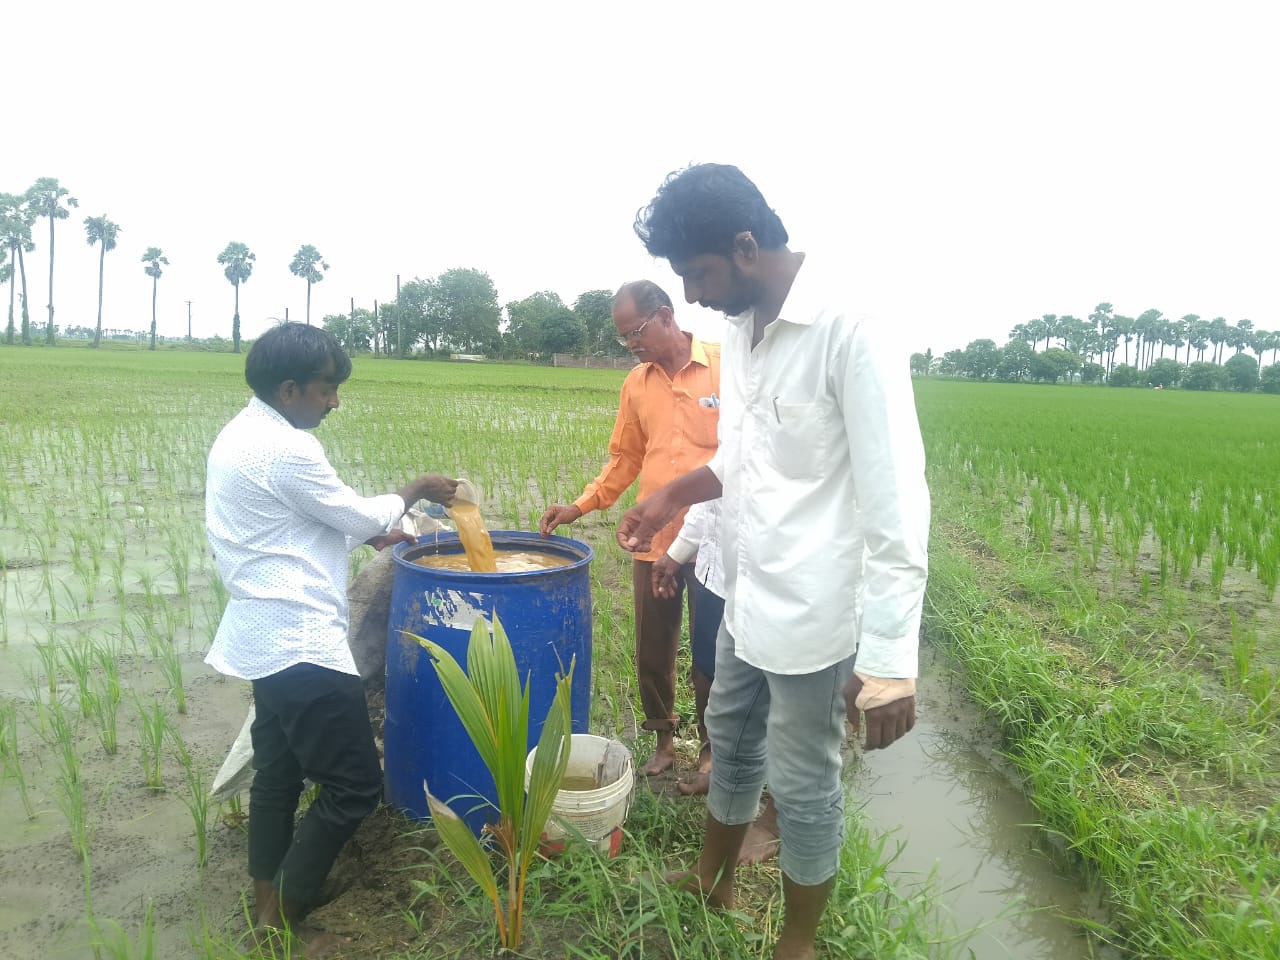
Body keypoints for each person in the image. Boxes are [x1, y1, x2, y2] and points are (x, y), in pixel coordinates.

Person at [618, 164, 930, 960]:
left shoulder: (850, 329)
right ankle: (712, 879)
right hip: (747, 595)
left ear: (746, 247)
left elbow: (897, 503)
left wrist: (893, 660)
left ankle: (798, 940)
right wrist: (670, 498)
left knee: (801, 779)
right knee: (729, 736)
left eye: (698, 274)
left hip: (815, 616)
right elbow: (743, 458)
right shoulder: (745, 331)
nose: (689, 297)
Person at [205, 322, 457, 957]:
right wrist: (415, 492)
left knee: (279, 774)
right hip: (301, 642)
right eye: (328, 390)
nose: (335, 402)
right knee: (352, 787)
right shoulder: (288, 449)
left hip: (263, 638)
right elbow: (353, 512)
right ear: (289, 389)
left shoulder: (241, 434)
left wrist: (372, 534)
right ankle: (278, 917)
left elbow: (295, 534)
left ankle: (269, 888)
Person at [539, 279, 720, 778]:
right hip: (654, 538)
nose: (631, 345)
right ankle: (664, 740)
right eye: (623, 338)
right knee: (652, 647)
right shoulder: (637, 383)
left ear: (665, 315)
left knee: (712, 650)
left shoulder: (727, 368)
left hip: (715, 544)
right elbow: (625, 459)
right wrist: (579, 506)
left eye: (635, 331)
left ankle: (711, 748)